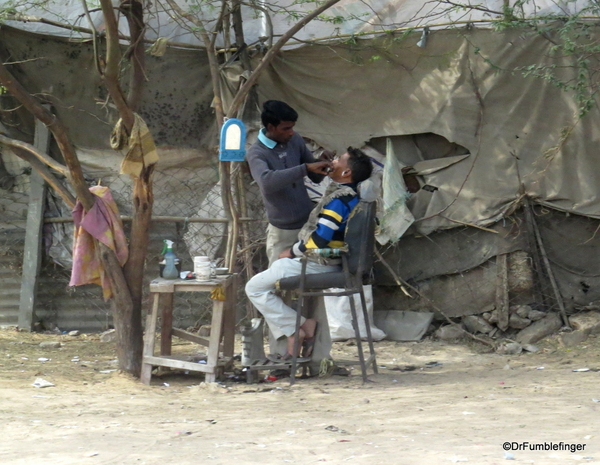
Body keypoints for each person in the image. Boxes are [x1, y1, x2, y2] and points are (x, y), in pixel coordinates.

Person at [245, 147, 373, 361]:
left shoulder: (338, 201)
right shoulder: (350, 197)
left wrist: (292, 252)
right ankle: (303, 324)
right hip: (330, 260)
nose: (334, 161)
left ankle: (297, 330)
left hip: (319, 262)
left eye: (340, 160)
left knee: (254, 288)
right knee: (273, 272)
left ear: (346, 173)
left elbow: (320, 239)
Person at [247, 100, 333, 267]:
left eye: (292, 127)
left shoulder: (295, 141)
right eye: (286, 128)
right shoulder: (257, 153)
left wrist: (322, 164)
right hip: (282, 230)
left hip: (308, 224)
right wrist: (306, 167)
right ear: (271, 127)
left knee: (309, 280)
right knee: (278, 281)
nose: (292, 133)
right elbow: (267, 182)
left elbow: (314, 176)